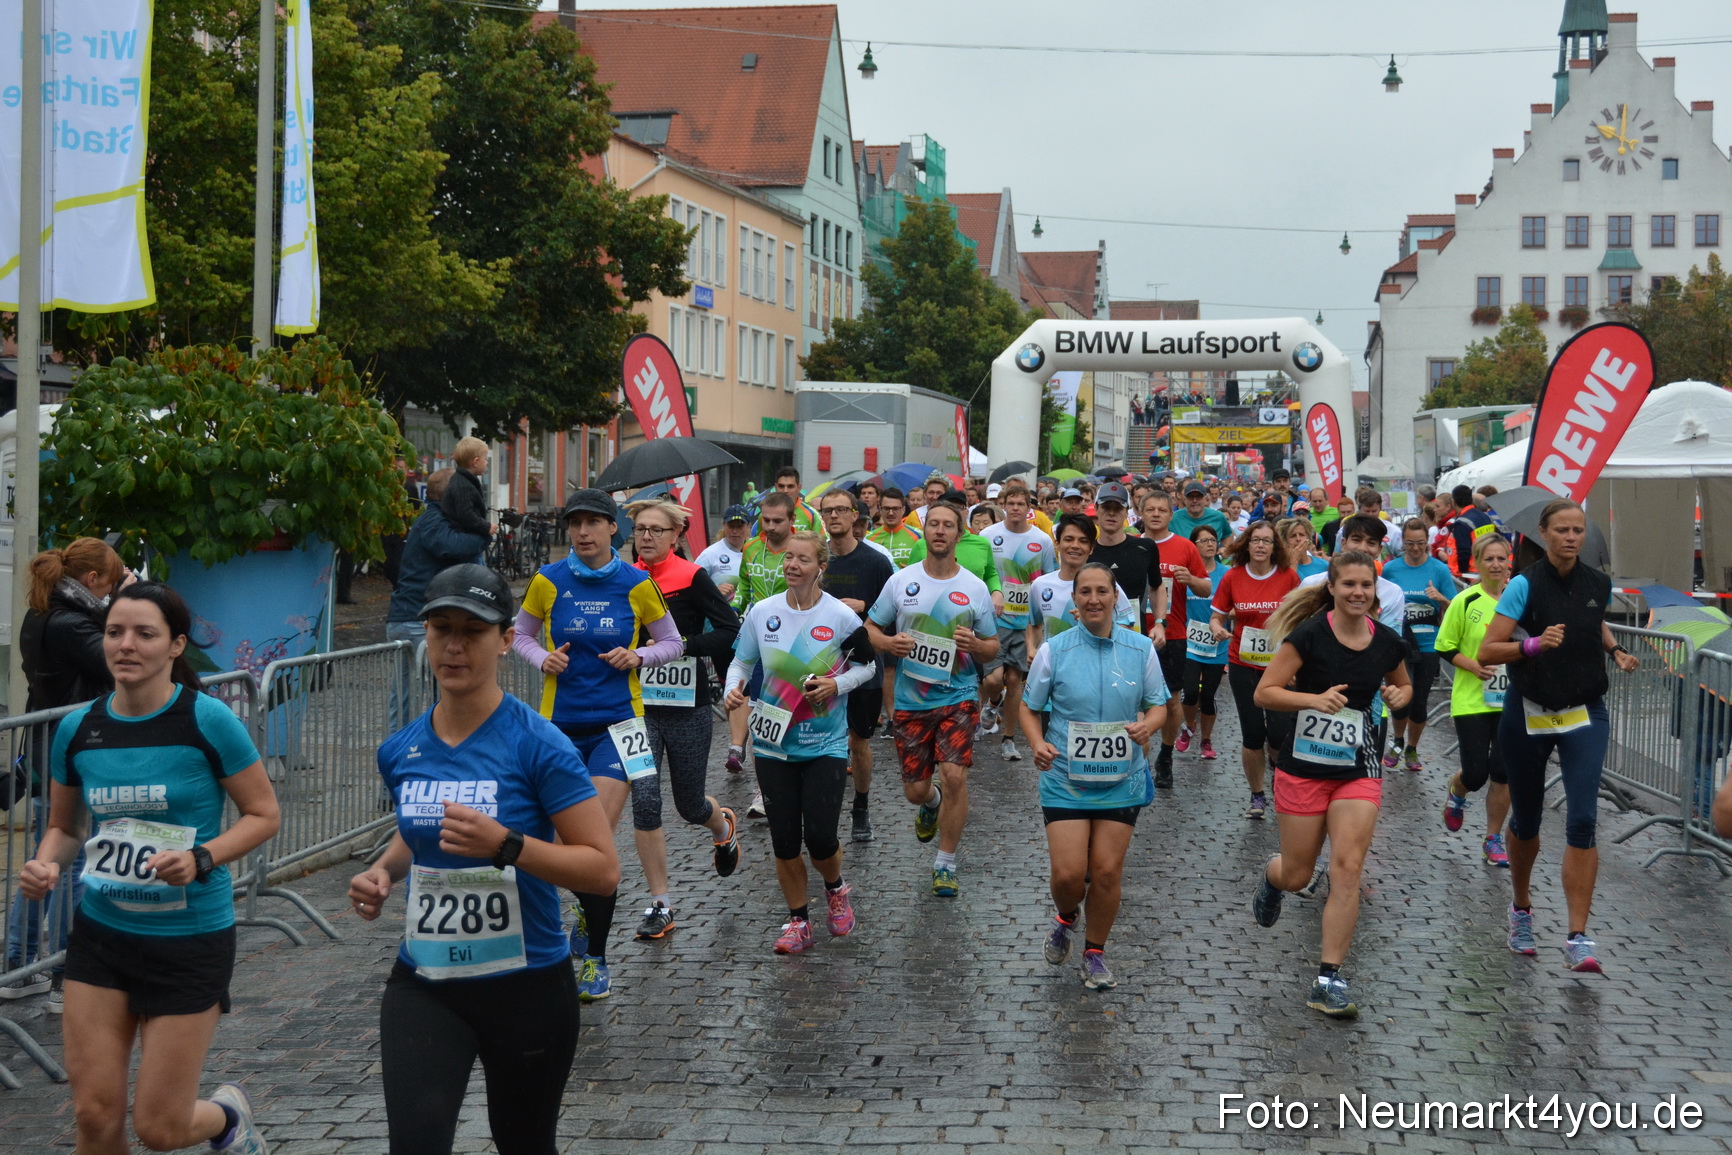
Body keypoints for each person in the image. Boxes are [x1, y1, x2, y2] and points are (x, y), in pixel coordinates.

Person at [348, 564, 619, 1155]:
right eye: (440, 628)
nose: (453, 645)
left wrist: (507, 845)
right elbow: (418, 833)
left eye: (472, 631)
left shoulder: (538, 743)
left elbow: (602, 869)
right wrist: (384, 871)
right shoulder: (401, 749)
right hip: (427, 981)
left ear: (503, 640)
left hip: (526, 985)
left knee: (524, 1144)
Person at [21, 583, 281, 1153]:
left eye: (145, 633)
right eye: (115, 632)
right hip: (103, 938)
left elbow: (263, 814)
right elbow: (66, 829)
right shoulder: (78, 729)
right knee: (93, 1115)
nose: (126, 645)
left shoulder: (207, 720)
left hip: (189, 941)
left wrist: (201, 858)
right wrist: (43, 863)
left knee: (160, 1129)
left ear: (174, 645)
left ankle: (228, 1118)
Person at [513, 488, 684, 1001]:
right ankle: (582, 918)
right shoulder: (548, 581)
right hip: (558, 725)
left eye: (593, 523)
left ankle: (595, 959)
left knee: (592, 844)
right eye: (575, 523)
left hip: (620, 726)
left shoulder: (637, 584)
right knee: (565, 847)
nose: (583, 532)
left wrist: (639, 659)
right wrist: (541, 658)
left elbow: (671, 641)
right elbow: (519, 635)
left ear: (615, 529)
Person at [1478, 499, 1639, 973]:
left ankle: (1577, 937)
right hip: (1529, 712)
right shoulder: (1523, 585)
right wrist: (1532, 644)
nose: (1571, 537)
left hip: (1584, 712)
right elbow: (1489, 647)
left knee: (1583, 820)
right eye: (1562, 530)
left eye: (1578, 530)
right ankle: (1522, 909)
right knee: (1526, 820)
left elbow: (1592, 621)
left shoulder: (1597, 583)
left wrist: (1617, 650)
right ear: (1544, 534)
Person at [1249, 551, 1413, 1019]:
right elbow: (1266, 692)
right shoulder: (1309, 635)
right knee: (1299, 874)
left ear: (1375, 590)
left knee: (1348, 865)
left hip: (1359, 764)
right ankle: (1272, 875)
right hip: (1304, 766)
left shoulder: (1387, 641)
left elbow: (1403, 687)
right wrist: (1313, 699)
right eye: (1349, 585)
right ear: (1334, 589)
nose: (1358, 592)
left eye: (1367, 585)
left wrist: (1400, 695)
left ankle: (1328, 978)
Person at [726, 531, 876, 953]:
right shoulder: (763, 611)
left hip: (824, 744)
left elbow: (868, 666)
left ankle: (835, 886)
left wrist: (836, 684)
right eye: (788, 557)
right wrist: (733, 689)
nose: (792, 564)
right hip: (773, 743)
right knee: (784, 839)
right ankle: (798, 922)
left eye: (803, 559)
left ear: (820, 568)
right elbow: (742, 660)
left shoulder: (841, 618)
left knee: (822, 838)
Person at [1021, 562, 1167, 991]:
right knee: (1068, 875)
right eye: (1085, 592)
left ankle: (1094, 952)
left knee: (1105, 872)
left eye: (1102, 591)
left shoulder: (1140, 649)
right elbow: (1029, 707)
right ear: (1074, 602)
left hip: (1122, 776)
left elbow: (1158, 703)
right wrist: (1036, 743)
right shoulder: (1054, 649)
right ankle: (1066, 915)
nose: (1094, 599)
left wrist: (1150, 726)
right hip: (1065, 774)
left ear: (1115, 597)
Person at [5, 539, 128, 1008]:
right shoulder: (73, 623)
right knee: (71, 860)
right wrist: (126, 605)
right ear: (93, 581)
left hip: (48, 745)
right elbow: (114, 661)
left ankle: (20, 964)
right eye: (112, 583)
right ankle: (62, 969)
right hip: (75, 749)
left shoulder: (42, 614)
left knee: (45, 858)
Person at [866, 501, 999, 898]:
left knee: (955, 776)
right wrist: (889, 642)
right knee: (916, 790)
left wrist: (976, 644)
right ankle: (931, 802)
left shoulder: (974, 587)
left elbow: (992, 648)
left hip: (958, 697)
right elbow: (870, 627)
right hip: (911, 701)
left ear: (960, 535)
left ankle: (945, 863)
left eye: (948, 526)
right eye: (933, 525)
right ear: (926, 533)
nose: (940, 531)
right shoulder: (901, 581)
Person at [625, 498, 742, 941]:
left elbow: (728, 629)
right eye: (641, 530)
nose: (648, 537)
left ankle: (722, 825)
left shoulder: (691, 577)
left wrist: (681, 645)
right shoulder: (626, 579)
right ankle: (661, 904)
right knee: (645, 800)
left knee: (688, 805)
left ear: (676, 536)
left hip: (686, 705)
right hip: (637, 708)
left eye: (657, 530)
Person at [817, 490, 895, 843]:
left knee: (859, 741)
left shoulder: (876, 562)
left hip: (864, 667)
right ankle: (823, 807)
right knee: (823, 738)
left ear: (855, 517)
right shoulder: (815, 559)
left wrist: (863, 606)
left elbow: (893, 616)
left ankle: (861, 805)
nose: (834, 516)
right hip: (820, 663)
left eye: (840, 510)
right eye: (827, 510)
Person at [387, 469, 492, 726]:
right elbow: (452, 547)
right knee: (424, 695)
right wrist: (484, 532)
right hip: (415, 619)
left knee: (421, 694)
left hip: (415, 616)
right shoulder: (433, 521)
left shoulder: (438, 520)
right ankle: (404, 753)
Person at [1209, 521, 1300, 819]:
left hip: (1280, 666)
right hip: (1242, 663)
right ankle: (1257, 795)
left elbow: (1300, 621)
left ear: (1276, 547)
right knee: (1251, 734)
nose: (1261, 546)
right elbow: (1217, 618)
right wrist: (1218, 629)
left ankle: (1280, 774)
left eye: (1267, 541)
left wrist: (1301, 660)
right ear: (1246, 544)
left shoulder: (1288, 577)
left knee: (1279, 732)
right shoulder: (1233, 577)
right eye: (1256, 540)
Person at [1435, 534, 1516, 867]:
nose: (1495, 565)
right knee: (1476, 773)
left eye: (1501, 558)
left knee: (1503, 772)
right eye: (1489, 559)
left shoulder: (1520, 601)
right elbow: (1445, 646)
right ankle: (1457, 793)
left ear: (1509, 561)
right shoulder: (1465, 601)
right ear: (1478, 564)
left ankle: (1492, 838)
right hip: (1471, 699)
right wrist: (1473, 665)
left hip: (1511, 700)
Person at [978, 482, 1054, 761]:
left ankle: (1008, 738)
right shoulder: (987, 535)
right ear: (1003, 505)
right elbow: (981, 573)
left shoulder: (1042, 541)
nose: (1015, 509)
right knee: (994, 678)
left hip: (1026, 623)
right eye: (1010, 504)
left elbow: (1048, 579)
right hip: (995, 619)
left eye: (1021, 504)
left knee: (1015, 679)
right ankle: (992, 701)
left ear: (1029, 508)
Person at [727, 491, 798, 784]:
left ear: (792, 520)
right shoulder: (752, 547)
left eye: (777, 521)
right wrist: (734, 604)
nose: (770, 526)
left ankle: (789, 767)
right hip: (756, 635)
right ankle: (761, 779)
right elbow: (745, 583)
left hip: (791, 639)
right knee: (757, 703)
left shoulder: (800, 549)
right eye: (765, 520)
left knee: (783, 705)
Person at [1140, 490, 1209, 788]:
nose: (1156, 514)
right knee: (1135, 704)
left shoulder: (1184, 547)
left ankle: (1165, 756)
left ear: (1171, 515)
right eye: (1150, 509)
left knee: (1170, 701)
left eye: (1162, 510)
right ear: (1140, 513)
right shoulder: (1131, 544)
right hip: (1132, 633)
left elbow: (1207, 588)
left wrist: (1191, 580)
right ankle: (1137, 761)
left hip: (1174, 634)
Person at [1381, 518, 1457, 773]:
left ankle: (1412, 747)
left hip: (1428, 643)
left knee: (1420, 699)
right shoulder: (1391, 569)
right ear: (1403, 542)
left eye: (1421, 544)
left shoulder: (1439, 570)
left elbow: (1456, 608)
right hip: (1400, 642)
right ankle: (1398, 741)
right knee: (1401, 696)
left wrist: (1441, 598)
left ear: (1428, 542)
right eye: (1410, 543)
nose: (1415, 548)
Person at [1027, 516, 1137, 649]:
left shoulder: (1106, 584)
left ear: (1091, 548)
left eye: (1083, 541)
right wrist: (1031, 649)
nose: (1075, 546)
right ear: (1057, 543)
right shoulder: (1040, 585)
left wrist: (1098, 622)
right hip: (1054, 665)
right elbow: (1034, 624)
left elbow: (1128, 627)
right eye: (1068, 539)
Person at [1177, 525, 1229, 763]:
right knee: (1189, 691)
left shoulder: (1227, 573)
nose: (1210, 544)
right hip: (1189, 642)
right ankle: (1189, 726)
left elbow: (1236, 603)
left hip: (1217, 645)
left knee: (1208, 696)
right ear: (1193, 545)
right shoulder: (1185, 573)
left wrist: (1225, 620)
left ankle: (1206, 739)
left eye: (1213, 540)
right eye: (1204, 540)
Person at [440, 436, 494, 551]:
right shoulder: (463, 485)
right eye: (485, 459)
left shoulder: (465, 480)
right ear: (476, 461)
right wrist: (486, 527)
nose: (487, 462)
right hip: (465, 537)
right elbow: (466, 515)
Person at [693, 505, 751, 601]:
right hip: (720, 614)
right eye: (731, 526)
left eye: (740, 526)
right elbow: (691, 586)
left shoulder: (754, 551)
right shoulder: (710, 554)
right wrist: (714, 591)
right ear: (724, 525)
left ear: (749, 526)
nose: (735, 531)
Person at [867, 487, 923, 567]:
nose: (890, 513)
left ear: (903, 510)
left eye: (895, 509)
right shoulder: (869, 539)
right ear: (880, 509)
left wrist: (912, 572)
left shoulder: (920, 536)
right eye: (886, 508)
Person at [773, 466, 820, 532]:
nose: (785, 490)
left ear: (799, 487)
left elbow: (823, 541)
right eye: (781, 486)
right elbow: (758, 540)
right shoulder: (766, 514)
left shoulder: (812, 513)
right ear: (775, 487)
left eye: (790, 486)